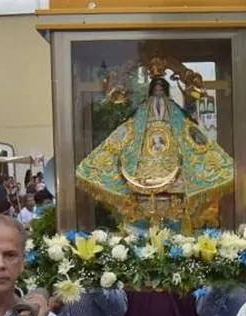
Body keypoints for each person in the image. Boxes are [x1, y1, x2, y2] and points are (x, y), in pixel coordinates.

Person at [75, 72, 235, 230]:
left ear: (165, 90)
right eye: (156, 88)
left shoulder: (173, 108)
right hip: (146, 155)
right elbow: (132, 126)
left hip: (170, 155)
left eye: (161, 88)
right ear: (152, 90)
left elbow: (184, 126)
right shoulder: (143, 109)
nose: (159, 91)